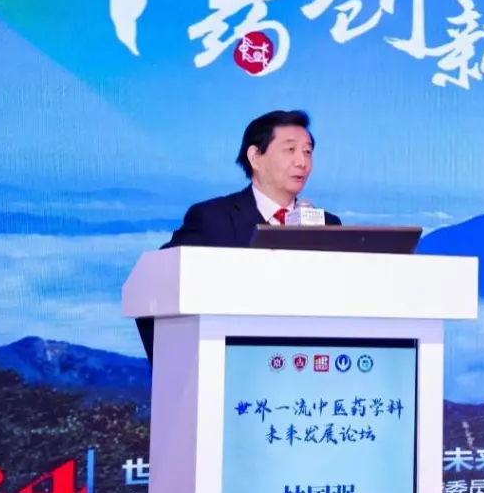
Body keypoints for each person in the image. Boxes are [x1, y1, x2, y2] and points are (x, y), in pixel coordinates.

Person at [137, 110, 342, 362]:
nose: (302, 162)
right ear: (255, 157)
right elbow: (155, 285)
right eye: (290, 150)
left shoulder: (329, 225)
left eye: (307, 152)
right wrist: (176, 368)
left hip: (307, 363)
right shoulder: (212, 219)